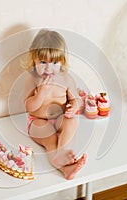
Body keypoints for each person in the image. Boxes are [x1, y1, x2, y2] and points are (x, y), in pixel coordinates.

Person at [23, 29, 86, 180]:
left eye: (55, 63)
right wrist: (41, 94)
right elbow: (28, 106)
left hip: (60, 119)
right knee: (50, 138)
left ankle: (63, 154)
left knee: (71, 122)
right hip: (38, 121)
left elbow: (76, 99)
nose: (48, 68)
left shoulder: (66, 79)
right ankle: (61, 163)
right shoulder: (32, 79)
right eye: (43, 62)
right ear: (34, 60)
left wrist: (74, 107)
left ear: (62, 61)